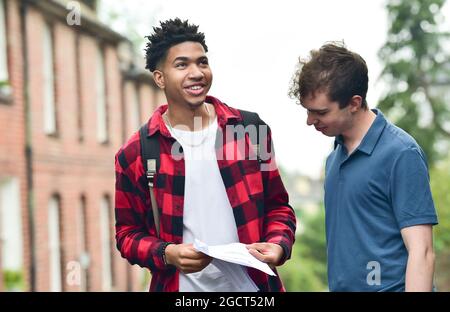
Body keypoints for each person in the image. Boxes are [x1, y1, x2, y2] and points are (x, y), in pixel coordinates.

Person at [114, 18, 296, 292]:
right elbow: (127, 234)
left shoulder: (250, 129)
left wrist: (279, 246)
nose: (197, 72)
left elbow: (278, 207)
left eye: (202, 62)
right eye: (182, 64)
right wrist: (167, 253)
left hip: (253, 288)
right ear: (159, 78)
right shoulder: (137, 153)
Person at [289, 42, 438, 291]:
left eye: (320, 112)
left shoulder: (401, 153)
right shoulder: (334, 158)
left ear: (354, 103)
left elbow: (421, 252)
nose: (310, 121)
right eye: (308, 111)